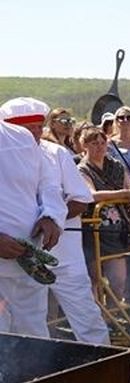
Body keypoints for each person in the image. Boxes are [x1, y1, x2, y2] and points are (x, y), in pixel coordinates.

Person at [0, 100, 68, 337]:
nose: (37, 132)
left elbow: (49, 186)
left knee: (34, 332)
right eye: (32, 127)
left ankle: (37, 374)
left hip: (27, 261)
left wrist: (51, 217)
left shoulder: (30, 146)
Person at [78, 127, 130, 299]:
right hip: (94, 230)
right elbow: (90, 194)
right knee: (95, 279)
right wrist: (123, 194)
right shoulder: (82, 169)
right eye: (94, 143)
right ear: (84, 145)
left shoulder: (116, 165)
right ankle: (99, 319)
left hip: (118, 228)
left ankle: (114, 314)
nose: (99, 147)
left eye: (102, 143)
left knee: (118, 280)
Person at [107, 106, 130, 178]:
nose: (125, 120)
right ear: (116, 121)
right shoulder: (108, 145)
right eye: (121, 117)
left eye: (129, 117)